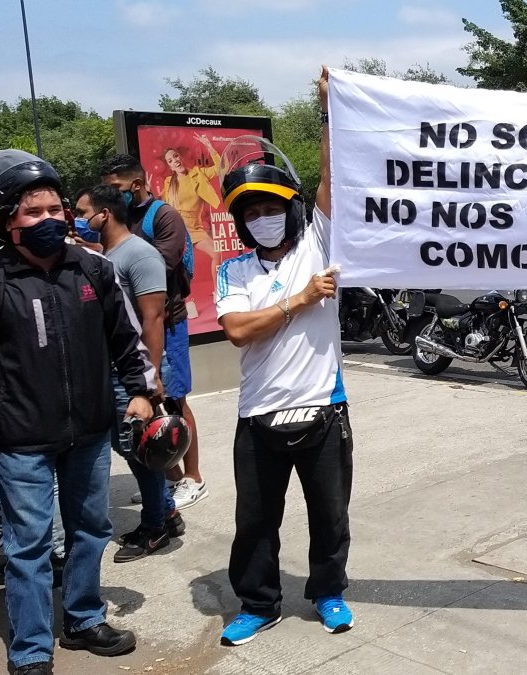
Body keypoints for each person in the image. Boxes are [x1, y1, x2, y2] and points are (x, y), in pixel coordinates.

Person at [0, 149, 157, 674]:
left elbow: (127, 338)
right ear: (8, 220)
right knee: (27, 546)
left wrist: (142, 391)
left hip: (91, 433)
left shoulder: (94, 269)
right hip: (22, 439)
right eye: (34, 212)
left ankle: (82, 619)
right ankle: (31, 648)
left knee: (90, 529)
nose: (49, 220)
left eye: (55, 209)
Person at [213, 66, 354, 647]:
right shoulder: (234, 271)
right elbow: (238, 331)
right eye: (249, 214)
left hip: (324, 407)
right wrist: (300, 300)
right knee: (254, 520)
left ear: (290, 207)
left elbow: (331, 177)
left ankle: (329, 592)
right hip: (258, 414)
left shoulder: (319, 241)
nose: (261, 219)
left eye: (269, 207)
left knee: (330, 515)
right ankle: (258, 603)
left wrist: (327, 109)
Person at [74, 185, 187, 562]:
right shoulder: (109, 254)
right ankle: (166, 513)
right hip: (115, 370)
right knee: (127, 446)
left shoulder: (139, 254)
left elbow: (153, 319)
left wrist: (149, 380)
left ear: (104, 214)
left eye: (82, 212)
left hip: (134, 373)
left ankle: (155, 528)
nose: (78, 219)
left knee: (140, 450)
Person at [101, 154, 208, 510]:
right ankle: (168, 477)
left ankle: (193, 478)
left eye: (115, 187)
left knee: (175, 400)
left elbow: (157, 266)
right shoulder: (123, 217)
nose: (110, 193)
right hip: (132, 326)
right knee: (152, 406)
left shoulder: (163, 216)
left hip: (167, 322)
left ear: (136, 184)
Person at [155, 134, 224, 276]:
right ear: (170, 166)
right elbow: (162, 204)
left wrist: (209, 146)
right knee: (175, 264)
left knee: (217, 253)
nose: (175, 160)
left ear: (180, 157)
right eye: (170, 160)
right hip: (176, 226)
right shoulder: (169, 182)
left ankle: (217, 288)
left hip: (194, 228)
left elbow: (221, 168)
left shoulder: (198, 174)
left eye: (175, 156)